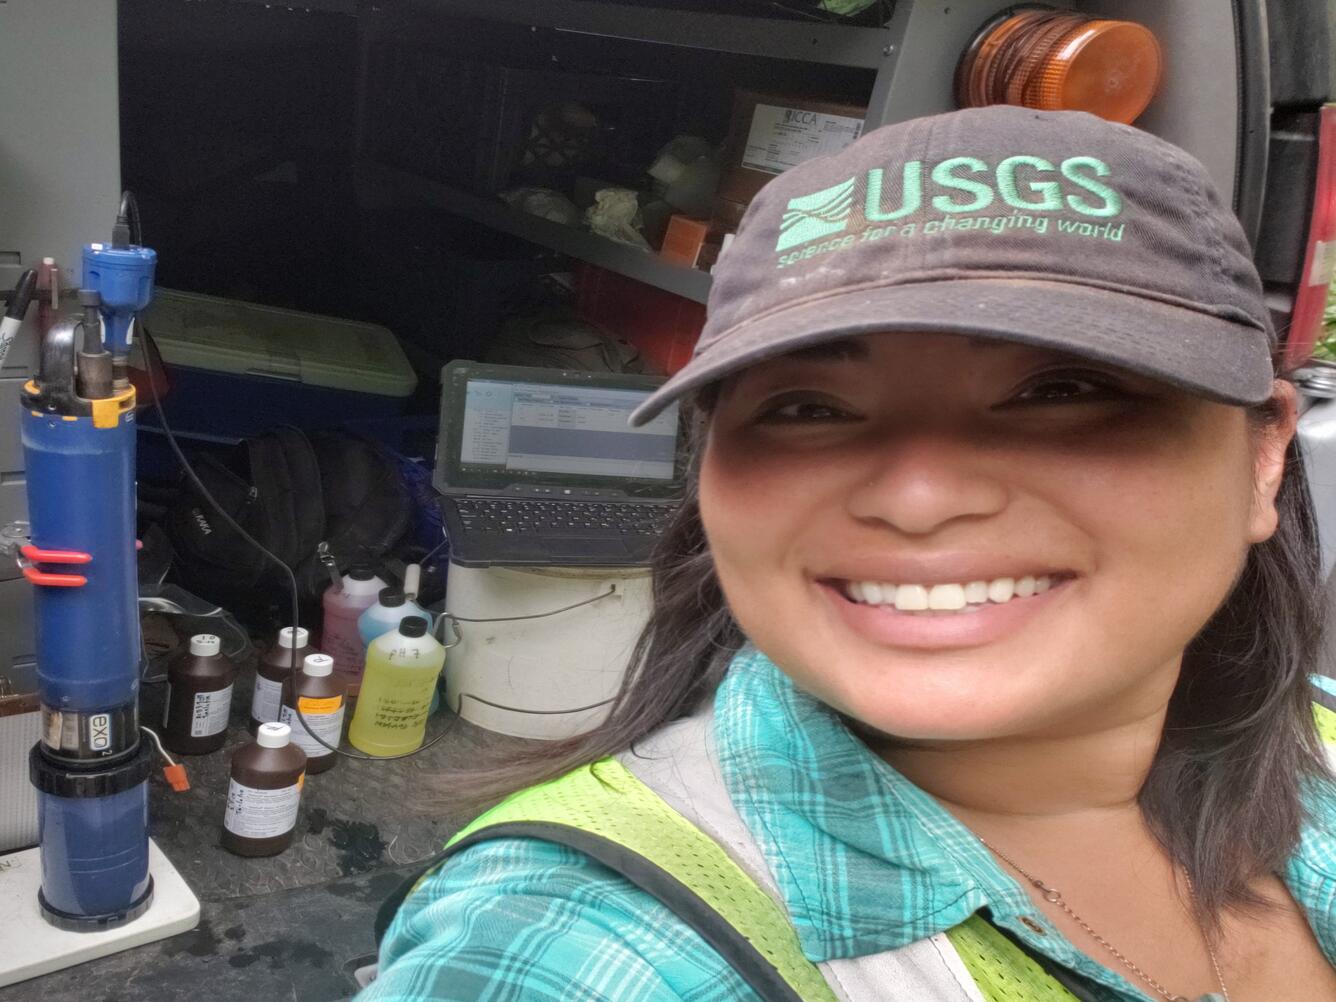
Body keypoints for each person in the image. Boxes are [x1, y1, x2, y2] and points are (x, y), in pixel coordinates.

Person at [360, 106, 1336, 1002]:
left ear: (1261, 453)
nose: (915, 501)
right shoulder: (577, 952)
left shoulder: (1320, 743)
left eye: (1059, 392)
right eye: (806, 409)